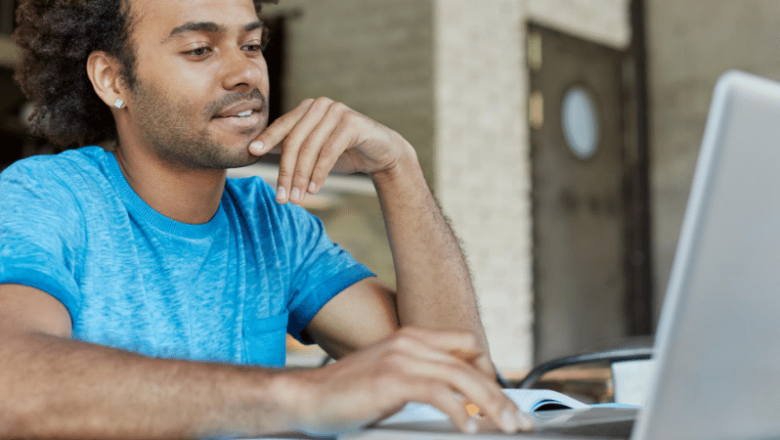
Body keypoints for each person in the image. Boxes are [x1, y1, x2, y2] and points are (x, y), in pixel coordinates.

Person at [0, 0, 529, 437]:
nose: (245, 72)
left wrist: (399, 169)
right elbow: (11, 383)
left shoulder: (274, 226)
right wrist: (306, 394)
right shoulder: (46, 198)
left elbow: (456, 379)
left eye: (251, 45)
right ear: (113, 79)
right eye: (200, 49)